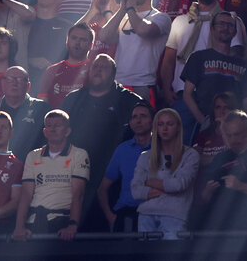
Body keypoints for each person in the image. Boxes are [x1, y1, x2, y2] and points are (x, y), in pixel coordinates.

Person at [62, 53, 143, 201]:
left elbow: (145, 130)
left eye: (104, 67)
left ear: (113, 74)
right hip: (74, 169)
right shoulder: (73, 99)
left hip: (113, 171)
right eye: (95, 66)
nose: (98, 70)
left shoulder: (129, 100)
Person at [12, 110, 89, 241]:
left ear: (67, 131)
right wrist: (19, 226)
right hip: (34, 221)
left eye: (58, 125)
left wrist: (72, 225)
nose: (52, 129)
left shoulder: (79, 155)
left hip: (62, 222)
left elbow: (78, 194)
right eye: (49, 126)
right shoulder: (33, 155)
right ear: (44, 131)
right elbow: (25, 194)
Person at [181, 10, 247, 137]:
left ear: (235, 32)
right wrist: (203, 121)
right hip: (205, 124)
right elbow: (187, 94)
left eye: (230, 25)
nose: (226, 28)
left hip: (233, 129)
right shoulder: (198, 58)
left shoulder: (243, 65)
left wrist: (240, 124)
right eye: (221, 24)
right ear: (212, 29)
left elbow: (246, 101)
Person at [130, 108, 199, 239]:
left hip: (175, 215)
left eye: (169, 124)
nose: (165, 128)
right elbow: (135, 190)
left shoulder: (190, 155)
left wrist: (150, 183)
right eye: (160, 124)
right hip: (146, 215)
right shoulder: (145, 156)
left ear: (178, 127)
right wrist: (166, 188)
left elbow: (179, 184)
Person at [97, 103, 152, 233]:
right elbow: (102, 188)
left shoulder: (164, 147)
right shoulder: (122, 149)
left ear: (153, 121)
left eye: (143, 116)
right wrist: (110, 216)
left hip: (156, 215)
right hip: (126, 215)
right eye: (134, 117)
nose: (138, 120)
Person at [0, 67, 48, 159]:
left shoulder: (42, 109)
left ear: (28, 86)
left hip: (33, 166)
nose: (14, 83)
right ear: (2, 84)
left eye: (20, 80)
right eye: (10, 79)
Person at [37, 23, 92, 109]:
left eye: (83, 40)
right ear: (67, 41)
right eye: (74, 38)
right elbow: (42, 104)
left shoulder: (95, 70)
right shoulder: (52, 71)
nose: (77, 42)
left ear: (91, 45)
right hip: (55, 121)